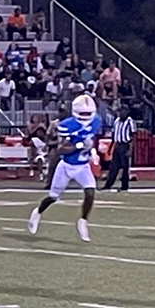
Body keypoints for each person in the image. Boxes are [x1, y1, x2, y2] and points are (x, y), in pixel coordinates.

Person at [27, 93, 100, 242]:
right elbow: (61, 149)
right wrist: (80, 145)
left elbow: (93, 138)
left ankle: (82, 221)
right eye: (83, 113)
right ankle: (38, 212)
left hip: (82, 166)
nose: (86, 116)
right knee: (53, 196)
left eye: (88, 113)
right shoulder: (67, 125)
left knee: (91, 192)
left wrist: (93, 151)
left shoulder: (96, 121)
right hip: (66, 166)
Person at [102, 107, 136, 192]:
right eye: (120, 111)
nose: (121, 113)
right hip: (117, 145)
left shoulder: (130, 121)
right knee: (113, 166)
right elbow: (114, 135)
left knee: (125, 167)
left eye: (123, 111)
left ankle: (124, 186)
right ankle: (108, 185)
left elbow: (134, 136)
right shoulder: (116, 121)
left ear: (127, 111)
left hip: (125, 145)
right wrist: (111, 147)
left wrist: (130, 149)